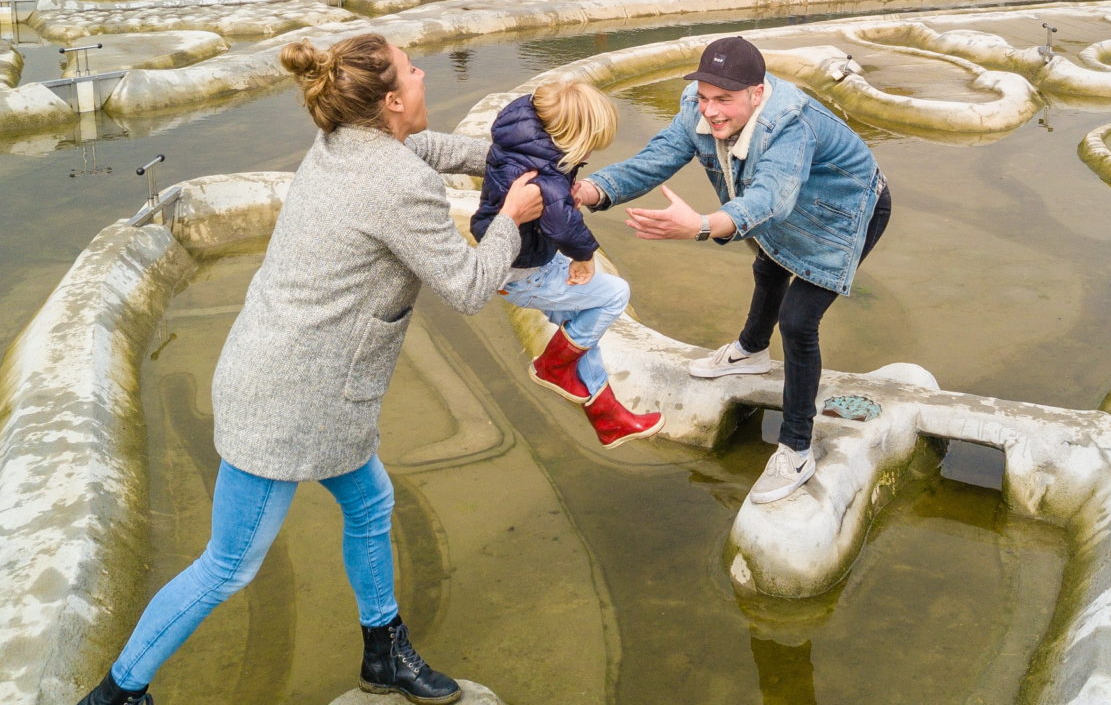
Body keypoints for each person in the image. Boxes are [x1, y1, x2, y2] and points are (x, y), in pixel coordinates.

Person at [72, 34, 545, 705]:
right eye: (413, 71)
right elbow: (468, 287)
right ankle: (118, 694)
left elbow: (432, 148)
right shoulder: (397, 183)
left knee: (370, 501)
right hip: (295, 402)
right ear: (390, 101)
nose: (422, 77)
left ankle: (383, 652)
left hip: (295, 377)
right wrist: (515, 219)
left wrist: (516, 157)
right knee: (229, 565)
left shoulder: (346, 145)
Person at [572, 36, 891, 505]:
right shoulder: (699, 111)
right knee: (768, 268)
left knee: (800, 321)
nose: (711, 111)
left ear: (757, 94)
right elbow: (656, 158)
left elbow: (769, 201)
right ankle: (751, 351)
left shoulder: (791, 125)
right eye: (704, 97)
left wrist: (701, 227)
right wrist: (594, 190)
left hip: (845, 210)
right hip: (792, 203)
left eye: (724, 99)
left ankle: (797, 447)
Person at [471, 81, 663, 446]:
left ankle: (609, 418)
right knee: (613, 295)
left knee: (579, 330)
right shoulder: (544, 175)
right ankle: (553, 366)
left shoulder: (520, 140)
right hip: (527, 272)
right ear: (573, 136)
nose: (589, 154)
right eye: (589, 146)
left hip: (514, 262)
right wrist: (585, 257)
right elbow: (563, 224)